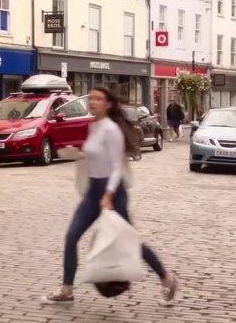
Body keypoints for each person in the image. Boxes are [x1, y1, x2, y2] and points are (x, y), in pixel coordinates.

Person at [44, 86, 178, 305]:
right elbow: (97, 157)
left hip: (113, 193)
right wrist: (78, 153)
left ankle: (167, 280)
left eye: (98, 99)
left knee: (131, 242)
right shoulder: (94, 126)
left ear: (108, 104)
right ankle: (67, 290)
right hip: (93, 191)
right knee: (72, 237)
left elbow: (117, 166)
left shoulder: (111, 129)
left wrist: (108, 195)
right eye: (92, 99)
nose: (93, 102)